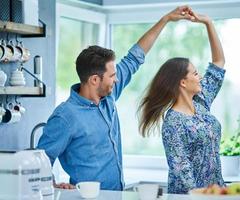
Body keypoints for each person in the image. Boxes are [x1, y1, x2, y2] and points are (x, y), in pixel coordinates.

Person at [37, 6, 195, 190]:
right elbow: (40, 159)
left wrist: (166, 19)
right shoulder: (65, 116)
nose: (117, 78)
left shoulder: (108, 97)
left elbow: (135, 57)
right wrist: (53, 186)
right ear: (94, 80)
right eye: (112, 76)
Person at [138, 10, 226, 194]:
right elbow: (182, 172)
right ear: (183, 82)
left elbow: (219, 61)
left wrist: (208, 22)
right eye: (195, 73)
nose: (200, 76)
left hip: (216, 193)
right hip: (191, 197)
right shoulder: (173, 123)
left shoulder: (201, 102)